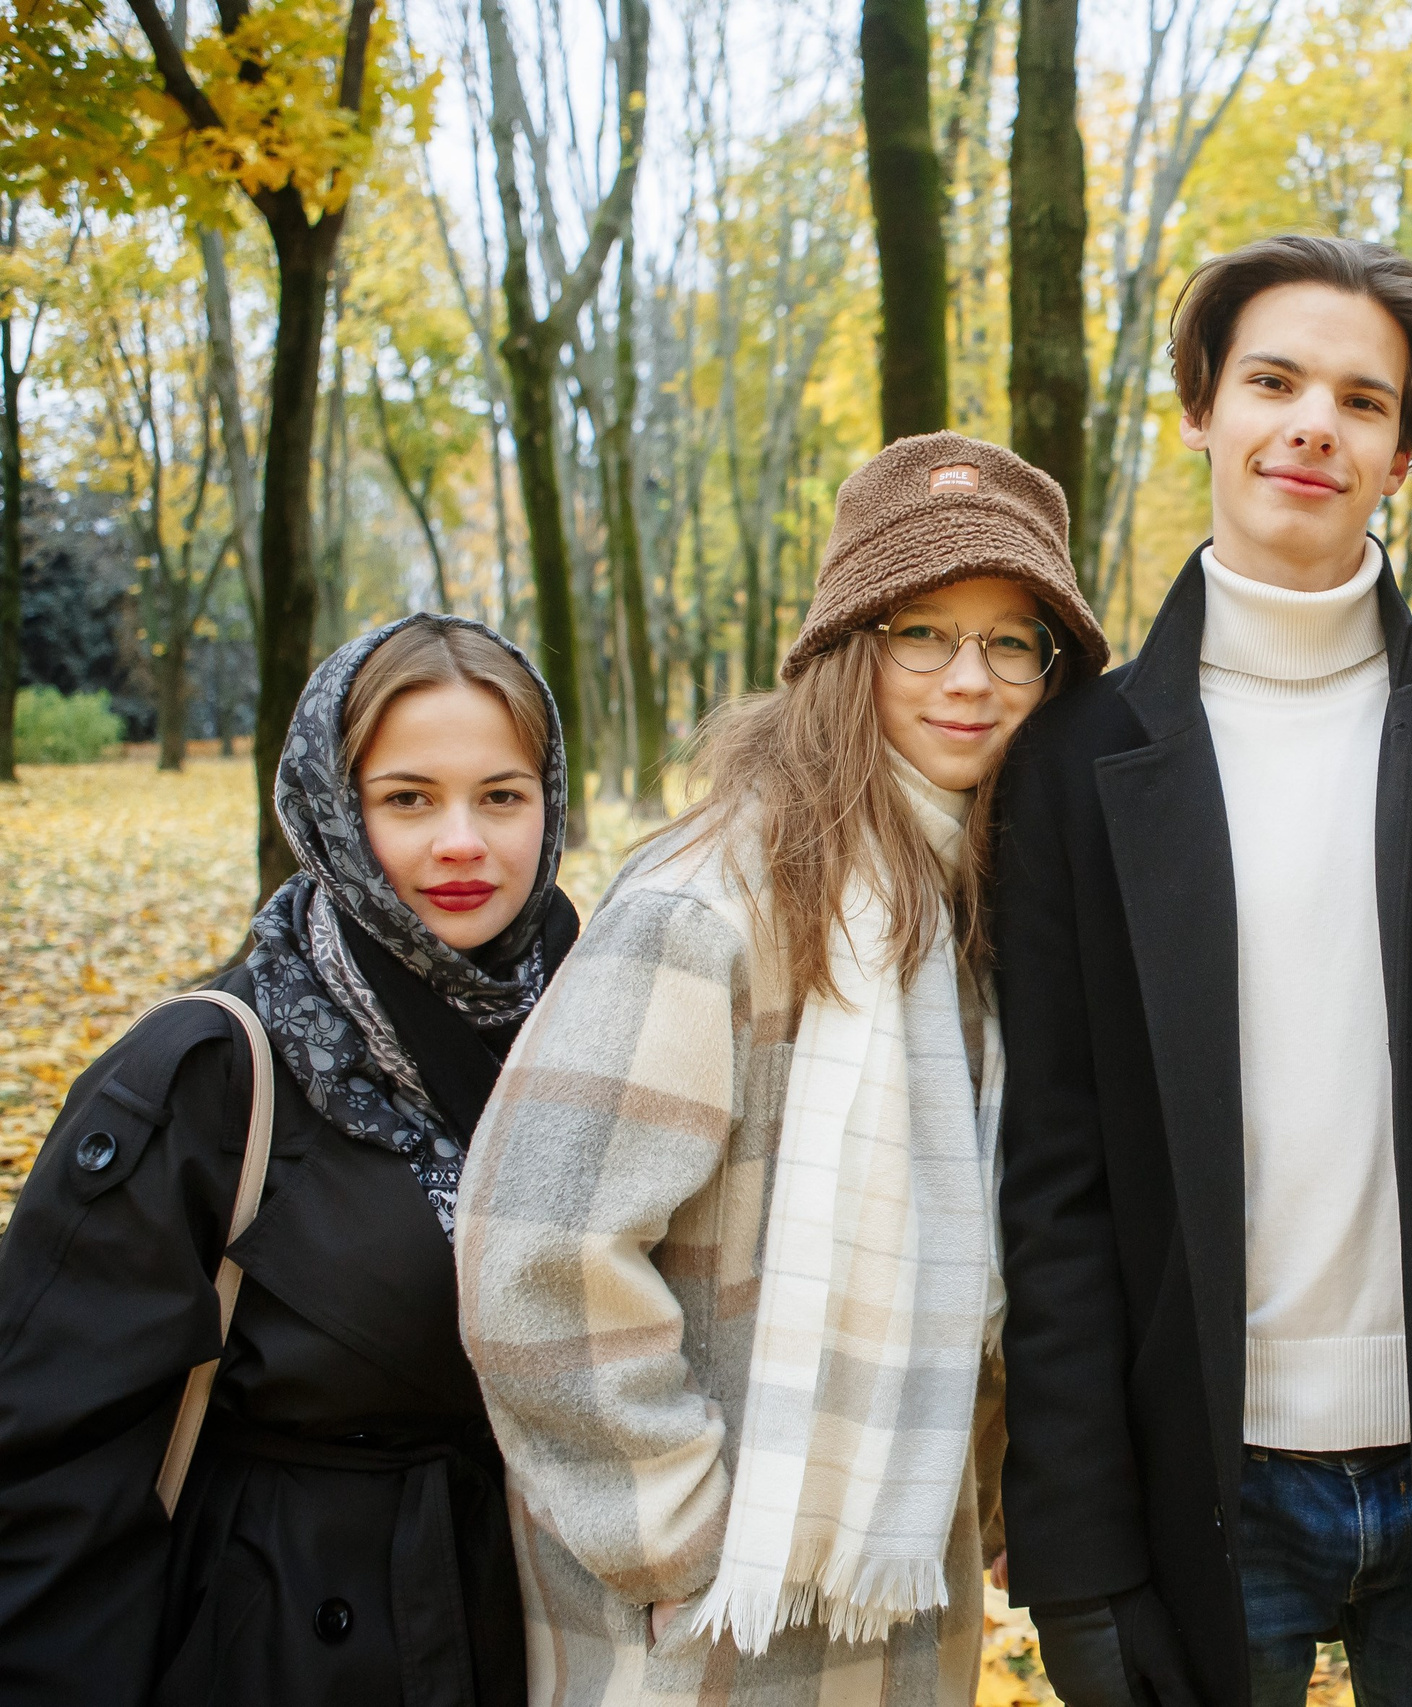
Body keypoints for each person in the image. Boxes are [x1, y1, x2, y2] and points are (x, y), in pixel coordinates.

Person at [994, 236, 1412, 1707]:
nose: (1315, 423)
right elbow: (1055, 1185)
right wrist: (1076, 1549)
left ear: (1404, 454)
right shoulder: (1072, 760)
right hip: (1203, 1483)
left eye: (1363, 401)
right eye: (1275, 381)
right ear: (1201, 409)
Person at [456, 433, 1106, 1707]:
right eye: (921, 631)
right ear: (846, 649)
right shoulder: (710, 911)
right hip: (703, 1634)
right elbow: (532, 1259)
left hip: (895, 1608)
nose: (968, 679)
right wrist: (686, 1548)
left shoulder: (975, 922)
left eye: (1010, 641)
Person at [0, 613, 577, 1703]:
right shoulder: (212, 1070)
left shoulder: (593, 1033)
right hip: (281, 1644)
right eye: (407, 798)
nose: (463, 842)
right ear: (332, 809)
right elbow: (46, 1471)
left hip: (531, 1637)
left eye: (501, 795)